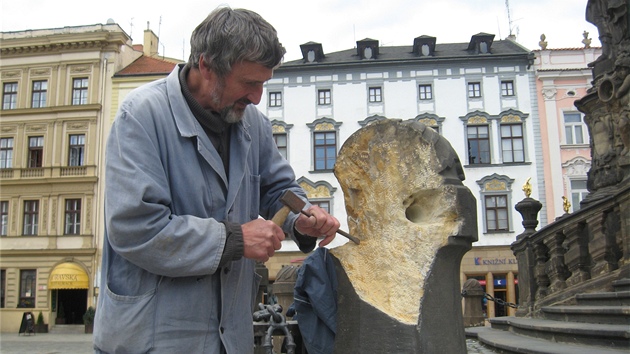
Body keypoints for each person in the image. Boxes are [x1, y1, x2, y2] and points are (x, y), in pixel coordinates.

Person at [93, 6, 340, 353]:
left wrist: (303, 219)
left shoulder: (252, 123)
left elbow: (280, 190)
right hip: (152, 340)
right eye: (249, 83)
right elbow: (135, 228)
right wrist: (233, 240)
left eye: (263, 84)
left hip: (230, 339)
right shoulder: (141, 117)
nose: (257, 98)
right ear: (206, 66)